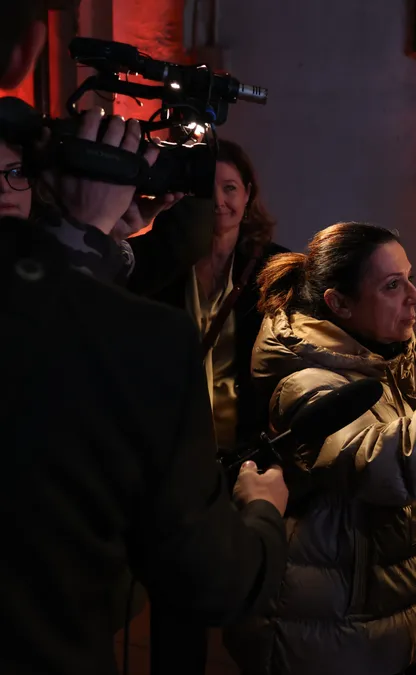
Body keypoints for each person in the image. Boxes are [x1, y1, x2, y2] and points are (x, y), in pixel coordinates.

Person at [0, 4, 290, 674]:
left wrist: (97, 240)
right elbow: (217, 579)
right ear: (25, 49)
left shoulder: (263, 265)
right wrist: (264, 511)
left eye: (17, 170)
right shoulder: (136, 342)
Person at [223, 222, 416, 675]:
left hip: (401, 629)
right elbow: (386, 464)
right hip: (332, 636)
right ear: (339, 303)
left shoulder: (405, 356)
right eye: (391, 285)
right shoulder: (303, 382)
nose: (414, 296)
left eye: (410, 277)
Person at [127, 139, 288, 453]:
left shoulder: (277, 268)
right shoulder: (158, 261)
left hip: (246, 443)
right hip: (166, 441)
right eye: (204, 188)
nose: (217, 200)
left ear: (248, 193)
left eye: (229, 188)